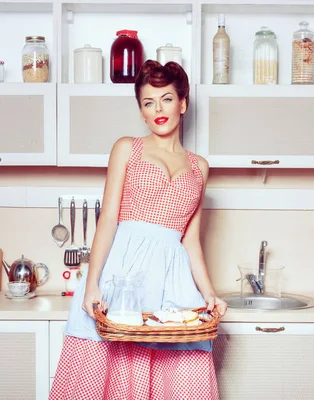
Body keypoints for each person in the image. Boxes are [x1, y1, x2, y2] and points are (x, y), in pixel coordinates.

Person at [49, 59, 227, 400]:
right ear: (141, 112)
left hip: (173, 278)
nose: (158, 109)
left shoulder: (199, 167)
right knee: (107, 367)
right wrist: (91, 285)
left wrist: (209, 294)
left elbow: (191, 238)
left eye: (167, 98)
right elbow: (108, 220)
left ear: (183, 103)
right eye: (149, 102)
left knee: (178, 377)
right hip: (124, 275)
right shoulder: (127, 148)